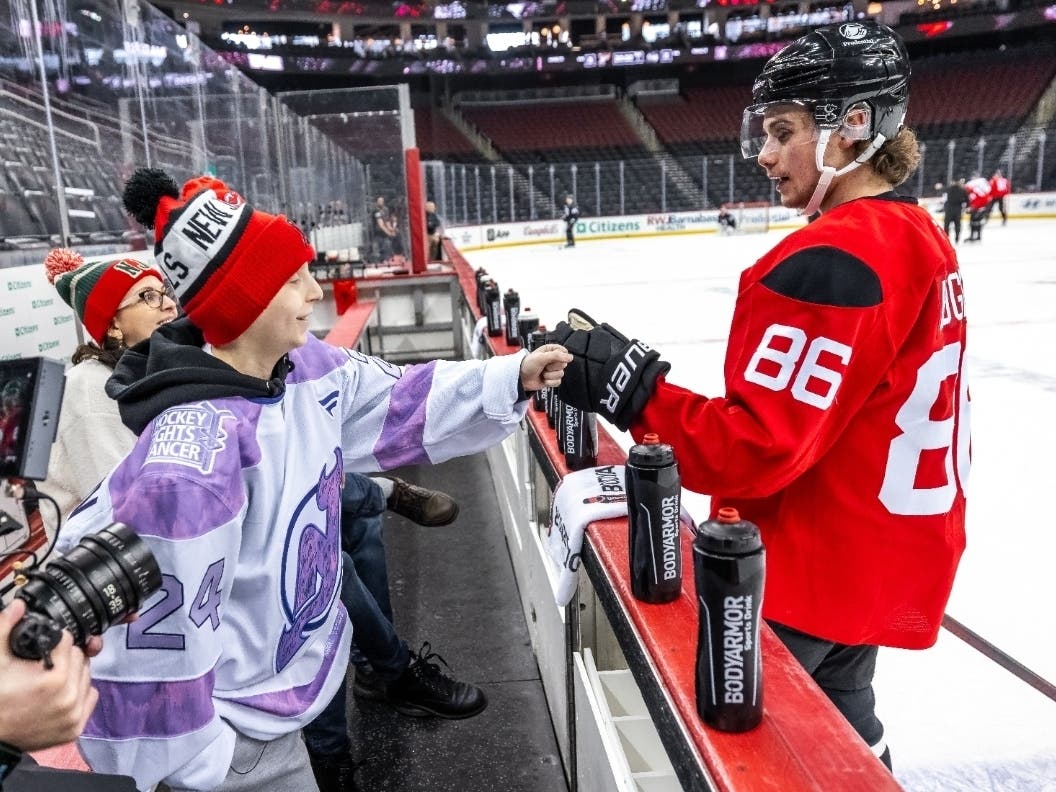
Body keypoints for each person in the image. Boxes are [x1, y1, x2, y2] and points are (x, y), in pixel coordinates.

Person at [57, 167, 571, 792]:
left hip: (288, 691)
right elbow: (150, 643)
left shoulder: (302, 368)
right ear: (244, 303)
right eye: (292, 278)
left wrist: (513, 375)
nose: (314, 289)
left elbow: (399, 397)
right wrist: (203, 765)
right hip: (239, 746)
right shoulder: (193, 459)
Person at [550, 21, 968, 771]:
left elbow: (754, 449)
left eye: (783, 132)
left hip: (803, 574)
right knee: (845, 738)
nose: (765, 154)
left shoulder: (833, 256)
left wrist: (632, 386)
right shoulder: (919, 236)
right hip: (871, 570)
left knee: (746, 757)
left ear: (854, 128)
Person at [38, 248, 180, 521]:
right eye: (149, 296)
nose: (170, 305)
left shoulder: (150, 371)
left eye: (165, 293)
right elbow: (122, 508)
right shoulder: (91, 389)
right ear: (113, 323)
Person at [964, 173, 991, 242]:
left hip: (979, 209)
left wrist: (974, 207)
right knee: (975, 222)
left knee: (976, 222)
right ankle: (975, 236)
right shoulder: (973, 191)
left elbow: (981, 199)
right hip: (978, 208)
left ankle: (976, 236)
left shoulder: (974, 191)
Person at [942, 178, 967, 243]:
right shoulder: (962, 190)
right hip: (957, 210)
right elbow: (967, 200)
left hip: (949, 210)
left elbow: (944, 198)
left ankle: (946, 238)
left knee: (947, 225)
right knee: (957, 225)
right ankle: (957, 238)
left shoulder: (948, 189)